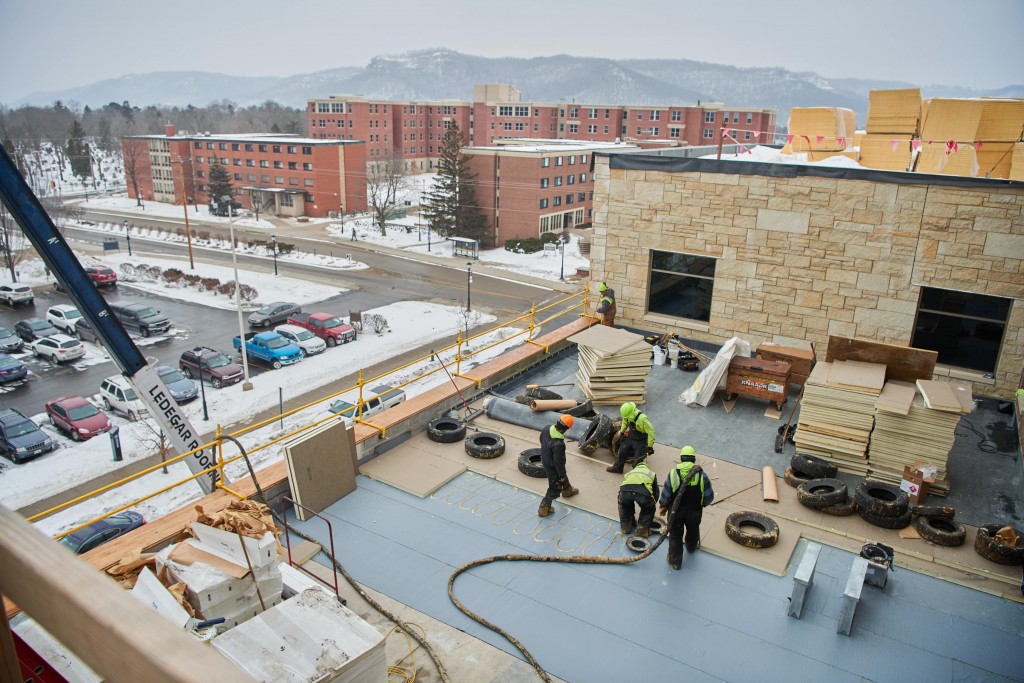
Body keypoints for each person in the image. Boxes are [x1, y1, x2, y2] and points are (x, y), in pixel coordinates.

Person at [658, 446, 715, 570]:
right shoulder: (701, 476)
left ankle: (675, 562)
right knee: (693, 530)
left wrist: (663, 505)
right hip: (694, 512)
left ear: (681, 459)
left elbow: (666, 494)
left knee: (675, 536)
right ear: (693, 459)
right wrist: (702, 504)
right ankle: (691, 546)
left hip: (675, 513)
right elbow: (709, 496)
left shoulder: (673, 474)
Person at [538, 414, 579, 517]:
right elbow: (558, 463)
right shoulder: (558, 444)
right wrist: (562, 475)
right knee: (555, 485)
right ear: (566, 428)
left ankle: (567, 491)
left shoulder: (547, 428)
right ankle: (544, 508)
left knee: (562, 476)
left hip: (544, 458)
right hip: (552, 466)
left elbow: (541, 439)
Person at [606, 402, 655, 474]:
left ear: (631, 413)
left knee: (637, 461)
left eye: (626, 417)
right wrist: (622, 432)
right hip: (630, 436)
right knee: (622, 452)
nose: (625, 418)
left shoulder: (643, 419)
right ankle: (618, 468)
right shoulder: (627, 415)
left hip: (640, 441)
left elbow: (651, 433)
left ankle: (637, 475)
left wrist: (650, 446)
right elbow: (624, 423)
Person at [618, 459, 660, 537]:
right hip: (643, 491)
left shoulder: (629, 473)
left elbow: (624, 485)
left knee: (625, 506)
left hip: (625, 490)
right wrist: (652, 503)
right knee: (648, 509)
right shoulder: (651, 474)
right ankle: (641, 531)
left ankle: (625, 527)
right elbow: (656, 491)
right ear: (646, 468)